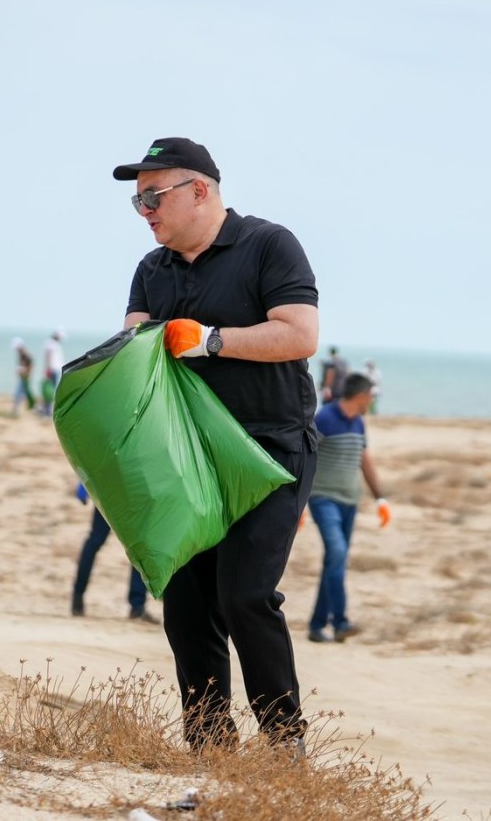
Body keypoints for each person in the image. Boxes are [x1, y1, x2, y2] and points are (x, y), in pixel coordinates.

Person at [114, 136, 319, 751]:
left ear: (199, 191)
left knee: (245, 595)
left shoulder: (268, 245)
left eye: (154, 195)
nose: (145, 210)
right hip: (187, 457)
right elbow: (135, 352)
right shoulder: (153, 271)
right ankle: (208, 744)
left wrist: (210, 341)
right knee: (185, 601)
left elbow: (299, 335)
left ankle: (284, 747)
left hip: (271, 449)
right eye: (137, 201)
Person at [306, 372, 390, 645]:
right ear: (361, 396)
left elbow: (364, 461)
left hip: (349, 502)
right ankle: (340, 621)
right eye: (371, 396)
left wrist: (380, 498)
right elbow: (306, 455)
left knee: (335, 560)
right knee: (337, 553)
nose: (371, 401)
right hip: (323, 498)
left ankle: (318, 626)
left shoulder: (359, 423)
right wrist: (297, 501)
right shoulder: (325, 419)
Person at [70, 482, 159, 624]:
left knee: (95, 541)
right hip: (132, 491)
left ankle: (77, 597)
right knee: (140, 546)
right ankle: (137, 606)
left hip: (109, 490)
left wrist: (83, 482)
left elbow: (98, 459)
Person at [39, 329, 65, 416]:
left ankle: (47, 408)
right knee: (50, 390)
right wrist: (48, 369)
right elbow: (48, 356)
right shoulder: (51, 344)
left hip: (54, 369)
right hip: (52, 370)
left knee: (51, 390)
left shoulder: (53, 344)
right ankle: (47, 409)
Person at [11, 338, 35, 415]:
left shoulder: (26, 355)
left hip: (25, 377)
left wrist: (24, 372)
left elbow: (31, 366)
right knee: (25, 393)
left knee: (20, 393)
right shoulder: (22, 355)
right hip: (23, 377)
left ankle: (16, 410)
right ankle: (29, 408)